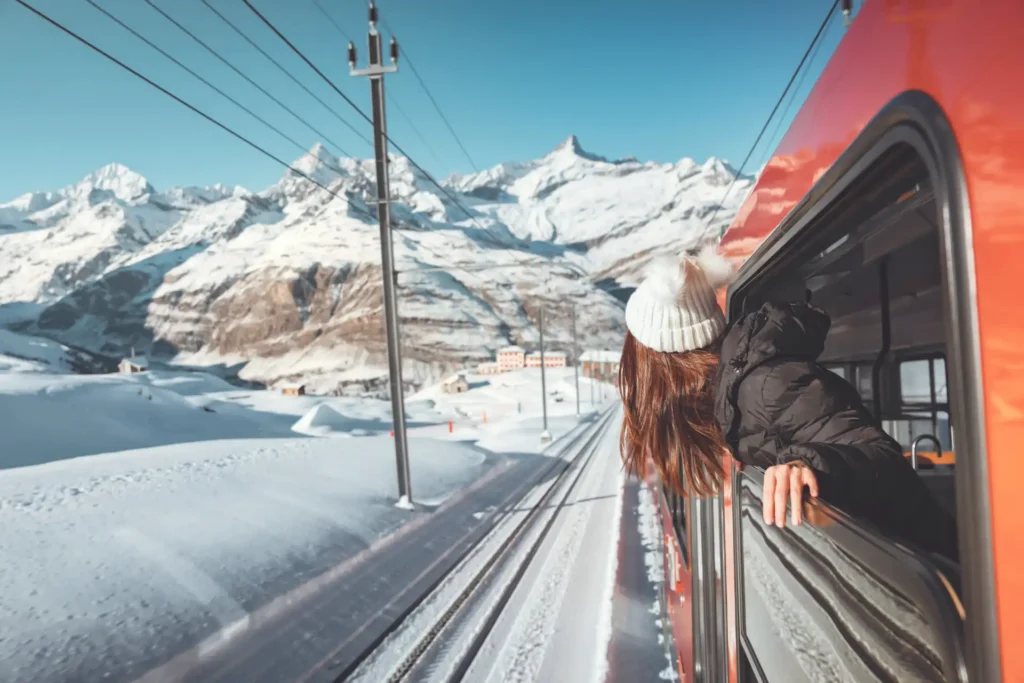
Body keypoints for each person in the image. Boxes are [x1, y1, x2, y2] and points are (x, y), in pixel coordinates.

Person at [618, 246, 958, 560]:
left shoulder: (765, 385)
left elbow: (885, 459)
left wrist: (806, 465)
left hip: (941, 574)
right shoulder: (731, 396)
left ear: (662, 369)